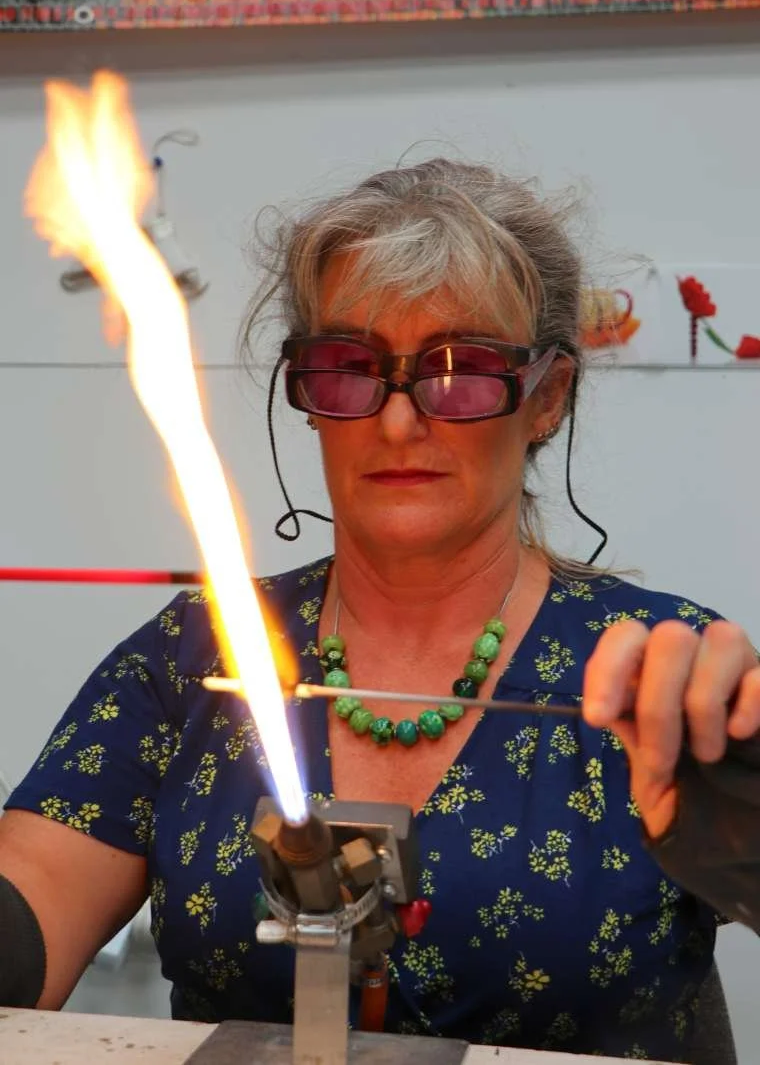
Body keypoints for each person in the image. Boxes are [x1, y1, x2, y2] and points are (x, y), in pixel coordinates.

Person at [1, 158, 759, 1062]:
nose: (399, 422)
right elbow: (31, 904)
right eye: (349, 367)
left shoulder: (658, 678)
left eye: (464, 368)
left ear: (548, 396)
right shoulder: (196, 654)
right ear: (309, 398)